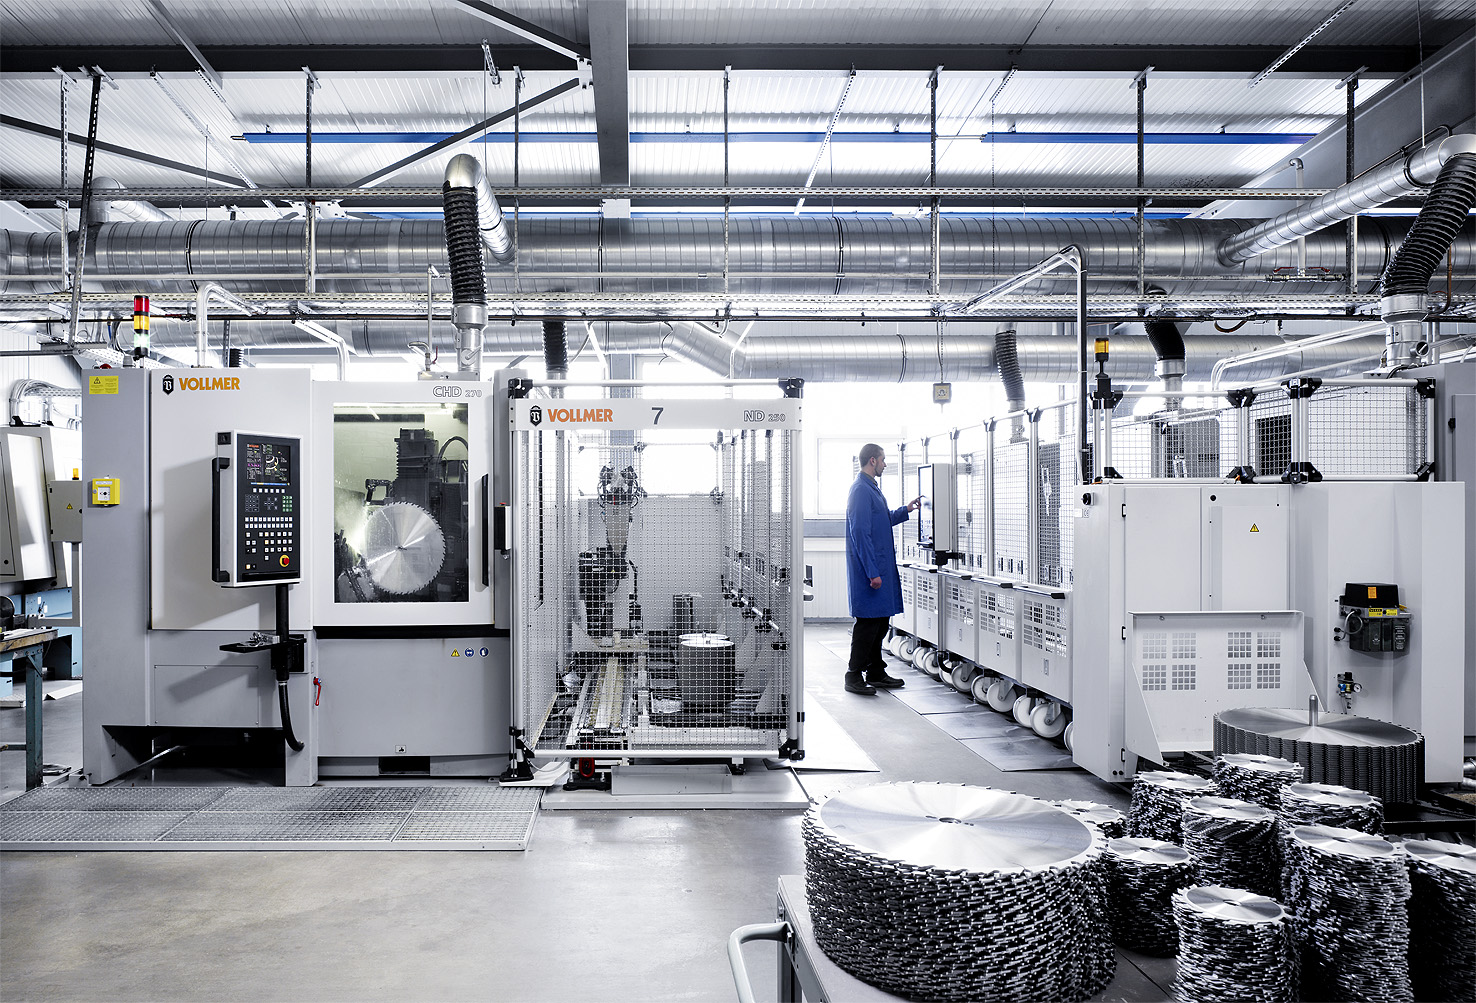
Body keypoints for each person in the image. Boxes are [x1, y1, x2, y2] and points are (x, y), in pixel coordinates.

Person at [844, 443, 920, 695]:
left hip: (879, 568)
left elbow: (881, 519)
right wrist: (872, 571)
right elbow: (860, 532)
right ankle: (853, 675)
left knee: (880, 622)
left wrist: (906, 510)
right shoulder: (860, 490)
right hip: (869, 572)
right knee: (867, 625)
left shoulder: (871, 488)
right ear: (873, 460)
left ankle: (875, 671)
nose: (886, 464)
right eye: (884, 460)